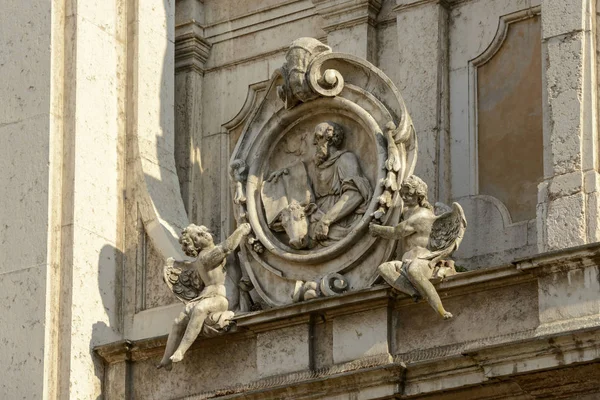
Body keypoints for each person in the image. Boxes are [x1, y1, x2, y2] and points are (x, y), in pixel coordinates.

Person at [157, 222, 251, 370]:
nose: (205, 234)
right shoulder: (205, 258)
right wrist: (241, 230)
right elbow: (227, 247)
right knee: (178, 321)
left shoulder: (208, 254)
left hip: (220, 298)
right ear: (196, 245)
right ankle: (166, 359)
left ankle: (181, 350)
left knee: (200, 310)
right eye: (198, 236)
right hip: (213, 295)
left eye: (203, 231)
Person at [370, 175, 457, 319]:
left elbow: (397, 232)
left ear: (419, 196)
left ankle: (441, 310)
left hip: (424, 260)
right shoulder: (408, 213)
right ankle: (414, 292)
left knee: (414, 270)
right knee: (384, 268)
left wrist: (376, 229)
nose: (404, 197)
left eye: (409, 194)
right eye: (402, 193)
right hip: (406, 261)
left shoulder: (422, 215)